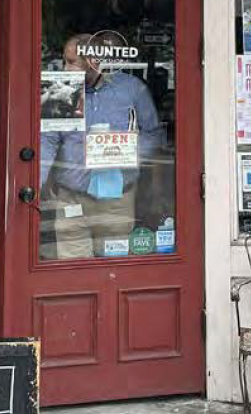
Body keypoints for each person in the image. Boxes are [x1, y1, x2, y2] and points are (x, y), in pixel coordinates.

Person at [39, 33, 164, 258]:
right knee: (71, 271)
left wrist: (124, 154)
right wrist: (36, 182)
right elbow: (48, 140)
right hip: (71, 197)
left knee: (113, 270)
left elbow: (153, 134)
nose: (65, 69)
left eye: (71, 62)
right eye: (64, 61)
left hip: (117, 199)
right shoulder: (62, 89)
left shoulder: (132, 89)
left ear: (93, 61)